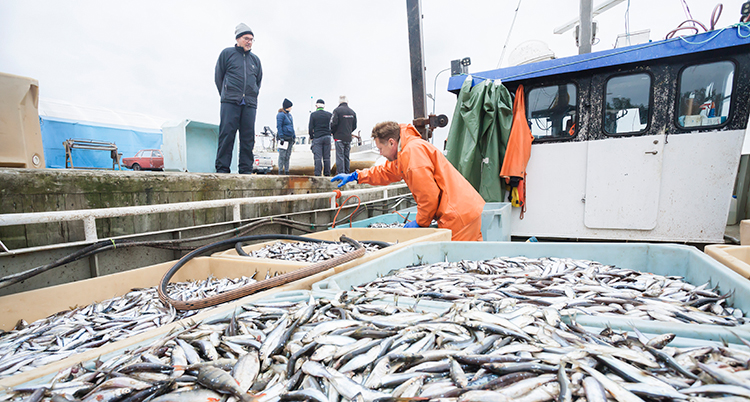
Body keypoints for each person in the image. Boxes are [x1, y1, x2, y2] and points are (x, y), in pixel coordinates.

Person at [331, 121, 485, 241]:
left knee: (459, 266)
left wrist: (420, 222)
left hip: (457, 214)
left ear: (391, 142)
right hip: (461, 209)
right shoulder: (405, 152)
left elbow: (428, 196)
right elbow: (385, 172)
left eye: (380, 148)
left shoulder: (413, 153)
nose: (380, 153)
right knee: (476, 262)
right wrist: (356, 176)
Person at [214, 23, 262, 174]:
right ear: (238, 38)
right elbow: (218, 77)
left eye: (252, 39)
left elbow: (258, 82)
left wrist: (251, 94)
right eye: (246, 38)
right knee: (227, 134)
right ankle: (222, 169)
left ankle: (246, 170)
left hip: (249, 104)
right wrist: (227, 94)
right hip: (230, 101)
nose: (249, 41)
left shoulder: (255, 60)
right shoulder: (227, 54)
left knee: (248, 138)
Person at [330, 95, 357, 174]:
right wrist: (348, 131)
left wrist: (333, 132)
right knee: (346, 156)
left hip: (339, 137)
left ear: (339, 102)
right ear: (347, 102)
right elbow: (354, 126)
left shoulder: (337, 111)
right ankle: (347, 173)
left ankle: (341, 174)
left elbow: (333, 124)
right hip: (348, 137)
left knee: (340, 156)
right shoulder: (352, 112)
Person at [308, 99, 333, 176]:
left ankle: (318, 174)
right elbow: (332, 125)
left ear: (316, 106)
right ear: (324, 106)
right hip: (327, 137)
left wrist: (312, 137)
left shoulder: (313, 115)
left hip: (317, 137)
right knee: (327, 157)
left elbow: (310, 127)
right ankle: (327, 174)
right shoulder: (329, 115)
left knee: (318, 157)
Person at [276, 98, 295, 175]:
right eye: (290, 106)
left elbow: (292, 126)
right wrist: (281, 137)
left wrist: (294, 137)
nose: (291, 108)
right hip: (283, 138)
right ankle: (280, 171)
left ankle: (287, 171)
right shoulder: (280, 115)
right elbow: (279, 126)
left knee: (288, 156)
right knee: (282, 156)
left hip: (290, 138)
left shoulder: (290, 115)